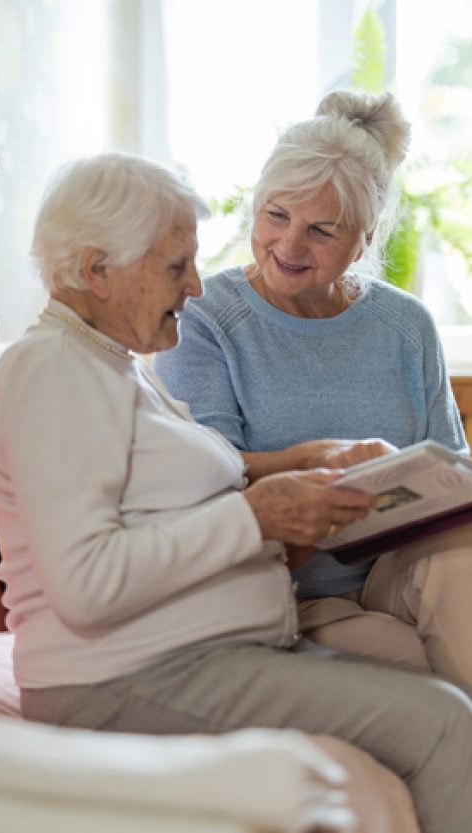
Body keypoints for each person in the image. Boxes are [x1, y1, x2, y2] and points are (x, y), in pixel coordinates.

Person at [0, 151, 472, 833]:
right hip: (124, 678)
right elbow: (85, 582)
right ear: (97, 271)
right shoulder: (51, 370)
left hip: (204, 653)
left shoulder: (112, 365)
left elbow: (174, 508)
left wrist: (301, 474)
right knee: (445, 721)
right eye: (175, 267)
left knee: (435, 687)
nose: (195, 287)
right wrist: (256, 514)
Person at [154, 90, 472, 688]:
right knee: (405, 658)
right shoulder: (207, 316)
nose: (289, 246)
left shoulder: (407, 327)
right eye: (276, 216)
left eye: (321, 230)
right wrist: (315, 460)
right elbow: (204, 475)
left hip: (397, 571)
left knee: (464, 565)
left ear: (365, 235)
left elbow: (452, 474)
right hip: (287, 586)